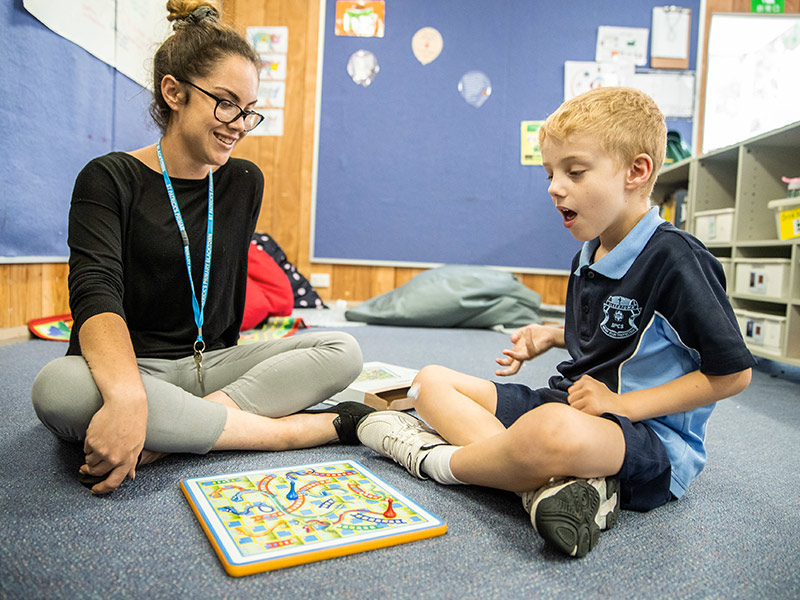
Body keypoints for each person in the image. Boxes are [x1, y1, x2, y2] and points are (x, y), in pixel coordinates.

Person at [356, 87, 755, 558]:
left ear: (637, 171)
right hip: (570, 405)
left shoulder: (676, 258)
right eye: (550, 173)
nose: (554, 187)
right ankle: (539, 487)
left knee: (548, 431)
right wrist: (551, 335)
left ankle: (437, 462)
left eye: (574, 171)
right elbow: (616, 333)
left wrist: (622, 405)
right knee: (430, 382)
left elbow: (732, 373)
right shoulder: (587, 255)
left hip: (649, 437)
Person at [31, 0, 366, 496]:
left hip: (212, 366)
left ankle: (175, 435)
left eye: (249, 110)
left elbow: (221, 290)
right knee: (57, 389)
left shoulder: (244, 181)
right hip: (131, 367)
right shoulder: (108, 178)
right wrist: (126, 395)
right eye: (226, 102)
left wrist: (163, 415)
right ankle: (287, 433)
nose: (238, 123)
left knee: (342, 349)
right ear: (174, 92)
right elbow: (94, 291)